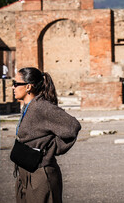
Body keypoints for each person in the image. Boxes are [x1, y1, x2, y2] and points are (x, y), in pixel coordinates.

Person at [12, 67, 81, 202]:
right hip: (25, 173)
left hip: (41, 175)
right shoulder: (28, 106)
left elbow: (73, 126)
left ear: (28, 87)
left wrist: (51, 149)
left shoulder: (41, 106)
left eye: (16, 84)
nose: (13, 88)